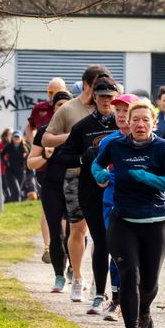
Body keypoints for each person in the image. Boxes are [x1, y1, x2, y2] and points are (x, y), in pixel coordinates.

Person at [92, 99, 165, 328]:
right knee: (129, 276)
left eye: (146, 120)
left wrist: (148, 178)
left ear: (154, 123)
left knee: (150, 282)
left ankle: (144, 309)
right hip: (122, 221)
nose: (140, 124)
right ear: (128, 122)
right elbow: (97, 163)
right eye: (136, 120)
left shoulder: (162, 147)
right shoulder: (115, 145)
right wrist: (99, 174)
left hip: (154, 222)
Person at [45, 65, 111, 300]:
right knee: (78, 229)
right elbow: (46, 139)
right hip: (76, 175)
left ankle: (98, 282)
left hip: (106, 177)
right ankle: (78, 276)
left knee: (103, 234)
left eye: (106, 91)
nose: (102, 94)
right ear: (86, 85)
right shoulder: (69, 109)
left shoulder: (111, 110)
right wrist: (75, 138)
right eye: (97, 88)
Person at [54, 77, 120, 311]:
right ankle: (99, 293)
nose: (106, 101)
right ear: (94, 97)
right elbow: (63, 156)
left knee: (119, 244)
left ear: (116, 98)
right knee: (100, 241)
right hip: (90, 192)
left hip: (118, 191)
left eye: (110, 97)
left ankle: (118, 294)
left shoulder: (122, 125)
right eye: (102, 96)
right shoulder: (82, 127)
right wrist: (83, 158)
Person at [95, 93, 140, 321]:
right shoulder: (108, 142)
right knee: (117, 252)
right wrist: (100, 176)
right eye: (118, 111)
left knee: (138, 256)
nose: (121, 115)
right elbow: (98, 169)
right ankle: (116, 300)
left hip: (142, 205)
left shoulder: (149, 141)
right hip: (112, 202)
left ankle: (136, 298)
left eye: (126, 110)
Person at [30, 90, 74, 291]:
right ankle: (59, 276)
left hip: (75, 184)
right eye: (59, 105)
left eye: (67, 104)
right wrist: (46, 157)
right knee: (57, 232)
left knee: (75, 231)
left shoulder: (78, 131)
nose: (62, 109)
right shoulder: (44, 133)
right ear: (53, 108)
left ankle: (75, 268)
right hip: (52, 186)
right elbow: (31, 162)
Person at [25, 77, 68, 145]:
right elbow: (29, 126)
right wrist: (32, 142)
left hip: (63, 150)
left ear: (65, 91)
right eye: (51, 92)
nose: (53, 95)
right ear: (47, 91)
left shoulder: (71, 108)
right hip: (43, 150)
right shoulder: (39, 108)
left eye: (57, 92)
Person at [0, 130, 28, 203]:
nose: (16, 138)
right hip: (10, 171)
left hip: (21, 171)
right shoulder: (8, 146)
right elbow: (1, 155)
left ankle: (12, 205)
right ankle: (17, 203)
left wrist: (25, 157)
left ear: (21, 138)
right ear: (12, 138)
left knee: (17, 191)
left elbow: (30, 157)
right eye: (15, 137)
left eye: (18, 137)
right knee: (17, 190)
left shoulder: (25, 147)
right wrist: (6, 163)